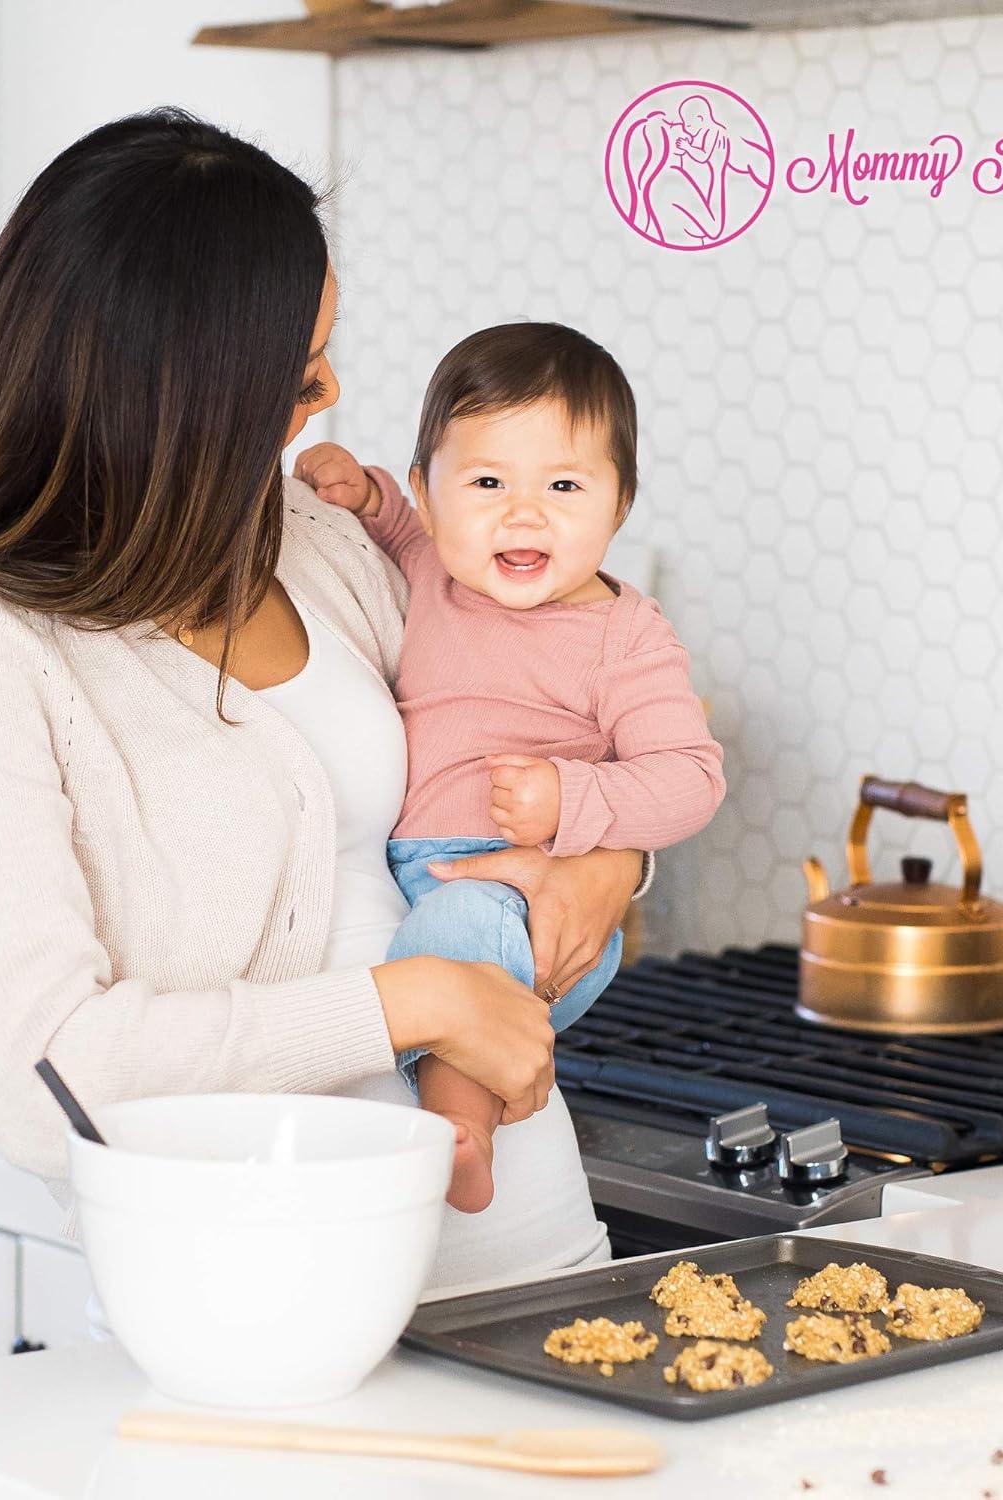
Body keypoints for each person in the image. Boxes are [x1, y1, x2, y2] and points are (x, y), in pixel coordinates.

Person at [0, 108, 650, 1295]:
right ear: (173, 375)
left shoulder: (322, 544)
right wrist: (410, 1002)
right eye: (295, 369)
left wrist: (615, 868)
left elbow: (547, 740)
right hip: (248, 1306)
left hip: (538, 1258)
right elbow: (45, 1079)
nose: (331, 388)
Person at [294, 322, 725, 1212]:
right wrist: (362, 490)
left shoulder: (623, 635)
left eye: (564, 485)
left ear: (620, 503)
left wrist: (573, 797)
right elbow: (393, 520)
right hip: (419, 882)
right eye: (487, 482)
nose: (523, 514)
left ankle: (462, 1136)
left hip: (526, 900)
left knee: (456, 944)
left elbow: (691, 777)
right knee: (434, 948)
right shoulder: (434, 566)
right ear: (431, 492)